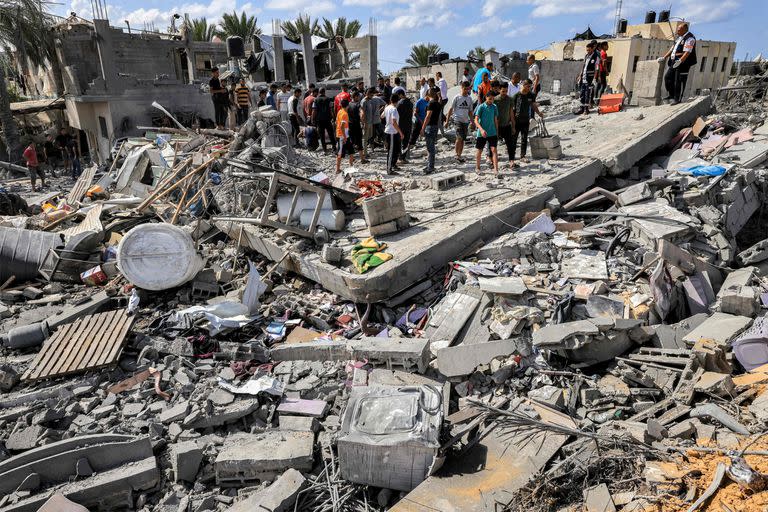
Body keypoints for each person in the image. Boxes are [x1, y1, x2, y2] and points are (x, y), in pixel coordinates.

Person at [659, 22, 697, 105]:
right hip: (674, 61)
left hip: (683, 63)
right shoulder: (679, 38)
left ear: (685, 30)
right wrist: (664, 57)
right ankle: (671, 95)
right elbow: (673, 48)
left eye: (679, 30)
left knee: (679, 81)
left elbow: (687, 52)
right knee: (668, 78)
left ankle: (677, 99)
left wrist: (680, 61)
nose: (677, 31)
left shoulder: (690, 38)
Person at [510, 79, 543, 163]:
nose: (529, 88)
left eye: (530, 87)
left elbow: (533, 105)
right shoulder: (516, 96)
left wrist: (539, 113)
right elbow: (511, 110)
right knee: (514, 139)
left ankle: (522, 156)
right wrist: (511, 122)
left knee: (524, 139)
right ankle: (512, 157)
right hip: (516, 121)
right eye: (528, 86)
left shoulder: (530, 95)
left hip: (525, 120)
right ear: (524, 85)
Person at [445, 80, 473, 163]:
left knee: (463, 139)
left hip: (465, 121)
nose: (466, 91)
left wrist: (472, 122)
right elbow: (450, 109)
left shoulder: (469, 99)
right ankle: (456, 155)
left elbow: (470, 112)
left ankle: (459, 155)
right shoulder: (457, 97)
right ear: (462, 88)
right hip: (457, 120)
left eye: (468, 89)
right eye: (465, 89)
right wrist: (447, 121)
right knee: (459, 137)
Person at [474, 90, 499, 174]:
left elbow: (495, 120)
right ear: (486, 98)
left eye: (492, 99)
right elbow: (476, 120)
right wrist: (481, 129)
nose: (491, 100)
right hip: (482, 133)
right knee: (479, 150)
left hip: (492, 132)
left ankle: (496, 169)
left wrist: (497, 131)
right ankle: (477, 168)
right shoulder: (481, 107)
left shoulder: (494, 107)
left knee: (494, 150)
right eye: (490, 99)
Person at [419, 88, 441, 175]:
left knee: (430, 148)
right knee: (431, 147)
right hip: (435, 126)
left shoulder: (431, 104)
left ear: (428, 95)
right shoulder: (438, 103)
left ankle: (430, 167)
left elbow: (428, 117)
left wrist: (422, 128)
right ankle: (430, 165)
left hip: (430, 127)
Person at [576, 40, 602, 115]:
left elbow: (597, 68)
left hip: (590, 78)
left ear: (592, 48)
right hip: (583, 77)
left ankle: (586, 110)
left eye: (589, 50)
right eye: (587, 50)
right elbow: (583, 66)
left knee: (588, 94)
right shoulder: (586, 56)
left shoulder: (596, 57)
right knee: (582, 94)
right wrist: (580, 76)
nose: (588, 51)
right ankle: (581, 108)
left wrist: (595, 78)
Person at [382, 93, 404, 174]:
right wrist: (401, 132)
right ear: (397, 101)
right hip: (391, 132)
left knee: (396, 149)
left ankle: (393, 164)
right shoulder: (394, 109)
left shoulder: (387, 107)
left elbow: (382, 116)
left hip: (392, 132)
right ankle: (389, 169)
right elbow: (394, 123)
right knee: (391, 151)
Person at [494, 83, 515, 169]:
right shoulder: (495, 100)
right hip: (496, 126)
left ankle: (511, 161)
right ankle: (492, 160)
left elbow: (511, 113)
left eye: (506, 91)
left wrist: (513, 126)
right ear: (499, 90)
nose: (504, 93)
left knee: (510, 145)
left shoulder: (509, 99)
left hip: (506, 125)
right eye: (503, 91)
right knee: (493, 144)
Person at [360, 88, 386, 158]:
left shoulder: (369, 100)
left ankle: (367, 151)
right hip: (367, 123)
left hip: (370, 122)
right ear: (368, 94)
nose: (372, 97)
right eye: (371, 95)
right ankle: (364, 153)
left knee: (370, 136)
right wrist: (363, 123)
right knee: (365, 139)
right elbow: (362, 113)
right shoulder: (364, 101)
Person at [312, 88, 336, 153]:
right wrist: (334, 117)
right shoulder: (328, 99)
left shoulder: (315, 100)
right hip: (328, 119)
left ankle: (325, 150)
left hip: (319, 120)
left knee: (321, 135)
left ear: (319, 92)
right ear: (324, 92)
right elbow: (331, 110)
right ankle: (334, 147)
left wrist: (312, 119)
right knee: (331, 134)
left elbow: (314, 110)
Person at [335, 99, 355, 173]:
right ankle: (337, 169)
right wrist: (344, 137)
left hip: (344, 135)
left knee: (351, 151)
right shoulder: (344, 114)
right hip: (342, 136)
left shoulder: (340, 111)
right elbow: (342, 126)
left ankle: (351, 167)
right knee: (340, 153)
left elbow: (336, 122)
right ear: (347, 105)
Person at [348, 91, 365, 163]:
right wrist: (362, 122)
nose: (358, 98)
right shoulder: (358, 104)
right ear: (355, 97)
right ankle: (362, 159)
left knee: (351, 142)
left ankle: (352, 158)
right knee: (359, 141)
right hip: (357, 125)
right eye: (358, 96)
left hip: (350, 125)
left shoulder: (348, 104)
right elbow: (362, 113)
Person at [396, 90, 413, 161]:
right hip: (408, 124)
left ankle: (399, 157)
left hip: (401, 125)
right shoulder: (410, 103)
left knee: (399, 142)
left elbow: (397, 115)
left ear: (400, 95)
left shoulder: (399, 104)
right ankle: (403, 158)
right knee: (406, 142)